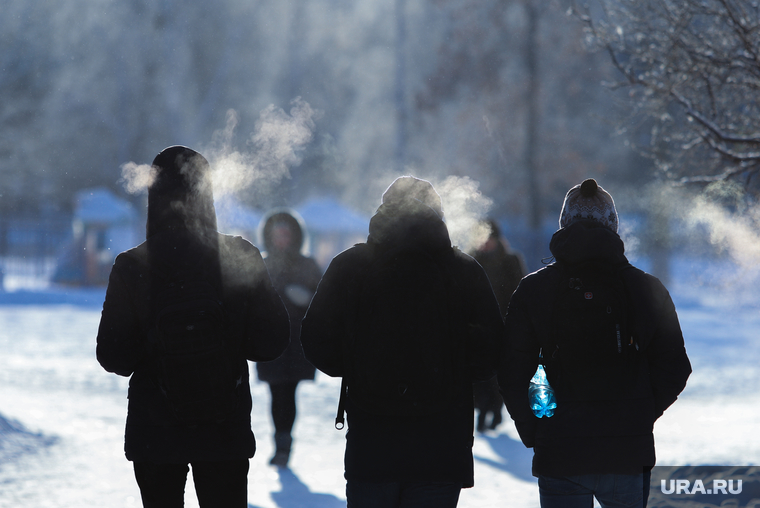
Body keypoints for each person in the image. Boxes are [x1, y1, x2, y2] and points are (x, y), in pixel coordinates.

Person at [96, 146, 290, 508]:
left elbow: (114, 356)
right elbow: (271, 341)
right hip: (223, 427)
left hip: (155, 431)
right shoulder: (238, 256)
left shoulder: (132, 265)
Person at [300, 176, 505, 508]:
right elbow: (491, 353)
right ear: (438, 215)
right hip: (441, 449)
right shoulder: (464, 271)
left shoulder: (350, 266)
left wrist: (356, 365)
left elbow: (315, 339)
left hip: (371, 445)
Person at [498, 178, 691, 508]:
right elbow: (674, 367)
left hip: (560, 452)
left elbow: (512, 371)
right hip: (627, 454)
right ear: (613, 225)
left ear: (564, 223)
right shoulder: (646, 288)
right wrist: (638, 416)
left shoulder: (533, 290)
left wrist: (537, 430)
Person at [256, 209, 322, 467]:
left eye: (286, 234)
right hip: (270, 341)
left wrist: (306, 298)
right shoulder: (262, 263)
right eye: (277, 234)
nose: (281, 239)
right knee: (276, 393)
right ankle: (280, 444)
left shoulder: (307, 264)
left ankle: (284, 444)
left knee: (288, 392)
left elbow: (322, 300)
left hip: (297, 342)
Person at [469, 218, 526, 432]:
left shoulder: (510, 260)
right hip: (478, 327)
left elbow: (519, 293)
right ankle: (484, 412)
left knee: (498, 375)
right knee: (481, 375)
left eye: (488, 238)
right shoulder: (472, 259)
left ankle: (495, 411)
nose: (485, 243)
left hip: (503, 325)